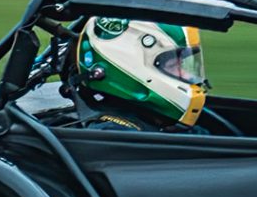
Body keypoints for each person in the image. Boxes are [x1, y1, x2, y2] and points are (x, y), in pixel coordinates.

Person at [73, 17, 209, 132]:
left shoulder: (157, 122)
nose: (187, 75)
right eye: (174, 66)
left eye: (183, 65)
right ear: (130, 65)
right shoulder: (116, 136)